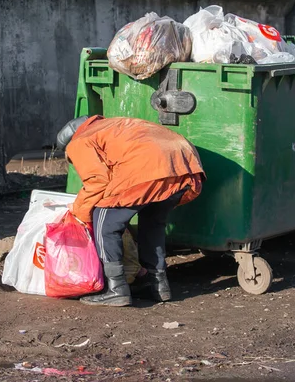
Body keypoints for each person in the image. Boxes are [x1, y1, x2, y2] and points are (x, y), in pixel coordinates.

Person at [56, 115, 205, 307]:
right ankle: (158, 285)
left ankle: (116, 289)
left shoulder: (80, 140)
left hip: (149, 167)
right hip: (185, 165)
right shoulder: (113, 125)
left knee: (104, 219)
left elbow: (97, 182)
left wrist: (79, 213)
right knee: (152, 223)